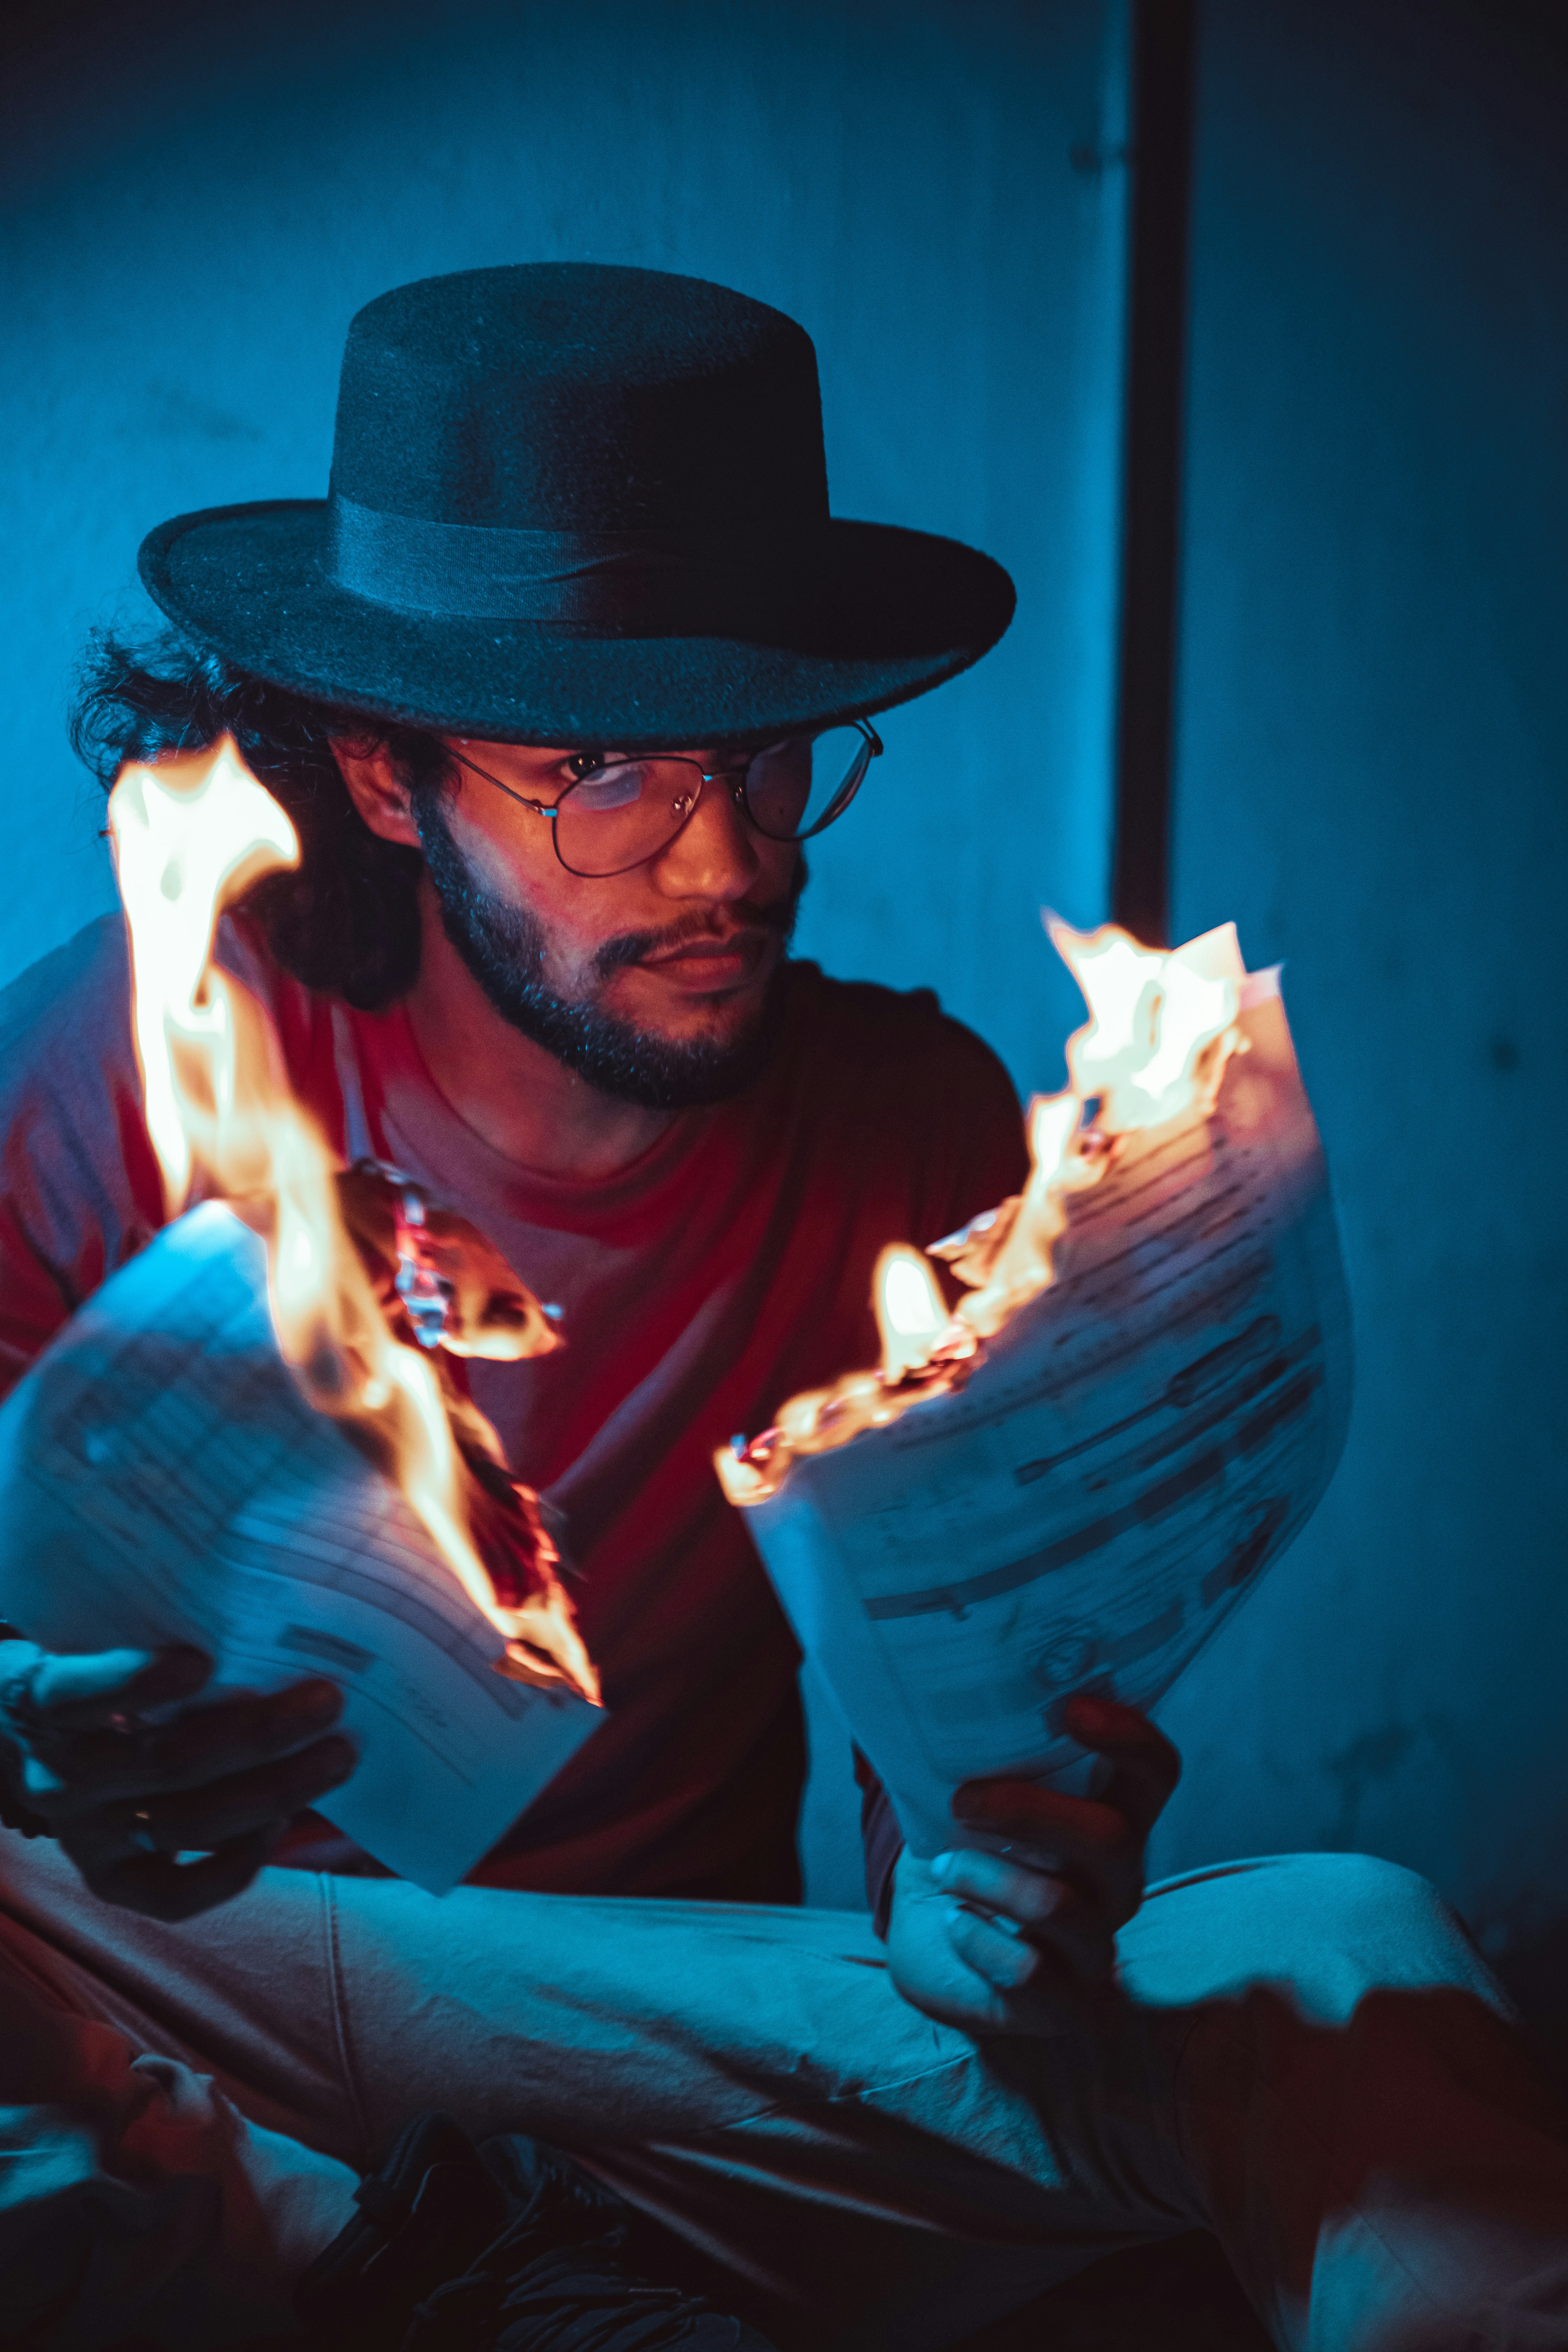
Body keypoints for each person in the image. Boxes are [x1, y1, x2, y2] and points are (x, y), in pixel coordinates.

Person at [0, 263, 1565, 2352]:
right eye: (599, 777)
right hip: (208, 2002)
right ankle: (369, 2253)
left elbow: (943, 1857)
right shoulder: (137, 1057)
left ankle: (428, 2270)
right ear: (389, 781)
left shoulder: (912, 1126)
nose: (723, 859)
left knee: (1355, 1942)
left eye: (762, 762)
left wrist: (988, 1904)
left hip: (667, 2045)